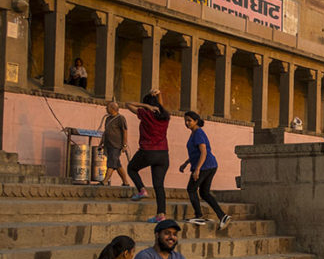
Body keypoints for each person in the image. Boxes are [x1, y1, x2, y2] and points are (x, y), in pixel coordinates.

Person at [179, 111, 231, 229]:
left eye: (189, 121)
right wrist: (186, 163)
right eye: (185, 121)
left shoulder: (198, 133)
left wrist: (197, 169)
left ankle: (199, 216)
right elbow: (196, 152)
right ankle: (222, 216)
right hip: (210, 165)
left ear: (196, 121)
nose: (187, 123)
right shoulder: (194, 133)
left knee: (191, 189)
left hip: (205, 166)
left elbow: (203, 152)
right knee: (204, 192)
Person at [126, 89, 171, 223]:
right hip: (163, 154)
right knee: (159, 186)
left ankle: (142, 190)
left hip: (148, 151)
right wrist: (159, 95)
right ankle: (161, 214)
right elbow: (161, 107)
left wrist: (146, 106)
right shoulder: (165, 116)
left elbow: (128, 104)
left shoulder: (146, 114)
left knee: (131, 168)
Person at [99, 101, 131, 187]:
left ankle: (105, 180)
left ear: (112, 108)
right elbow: (105, 132)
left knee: (112, 163)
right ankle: (126, 182)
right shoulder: (108, 119)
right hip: (108, 144)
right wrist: (101, 142)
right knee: (116, 164)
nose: (106, 109)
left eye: (107, 107)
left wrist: (124, 144)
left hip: (116, 145)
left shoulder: (121, 118)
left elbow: (125, 131)